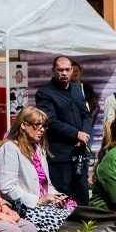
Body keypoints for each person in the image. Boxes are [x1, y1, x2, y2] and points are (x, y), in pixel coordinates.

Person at [0, 106, 84, 232]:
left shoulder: (38, 148)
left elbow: (46, 184)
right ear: (23, 125)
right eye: (37, 125)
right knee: (67, 224)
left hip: (42, 206)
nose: (41, 129)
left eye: (44, 126)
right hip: (22, 208)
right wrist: (39, 200)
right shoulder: (9, 148)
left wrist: (56, 197)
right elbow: (7, 188)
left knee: (78, 218)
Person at [35, 56, 93, 205]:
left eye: (67, 69)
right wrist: (76, 134)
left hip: (79, 152)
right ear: (53, 71)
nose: (64, 73)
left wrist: (84, 136)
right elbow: (51, 121)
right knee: (61, 197)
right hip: (59, 155)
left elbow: (86, 115)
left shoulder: (76, 89)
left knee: (82, 195)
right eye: (60, 70)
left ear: (72, 70)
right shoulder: (44, 93)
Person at [70, 61, 100, 127]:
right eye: (72, 72)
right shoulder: (66, 89)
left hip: (87, 125)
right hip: (72, 125)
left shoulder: (88, 88)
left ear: (80, 73)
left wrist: (90, 120)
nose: (74, 73)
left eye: (76, 71)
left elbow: (96, 106)